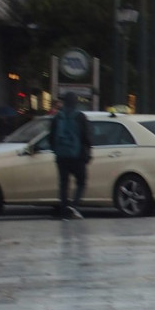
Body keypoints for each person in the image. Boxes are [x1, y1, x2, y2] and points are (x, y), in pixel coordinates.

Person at [48, 92, 92, 220]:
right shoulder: (80, 117)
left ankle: (63, 211)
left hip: (61, 156)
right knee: (81, 182)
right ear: (75, 102)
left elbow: (51, 137)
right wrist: (88, 151)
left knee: (63, 184)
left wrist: (55, 151)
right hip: (77, 156)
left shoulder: (57, 117)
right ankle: (74, 205)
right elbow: (86, 137)